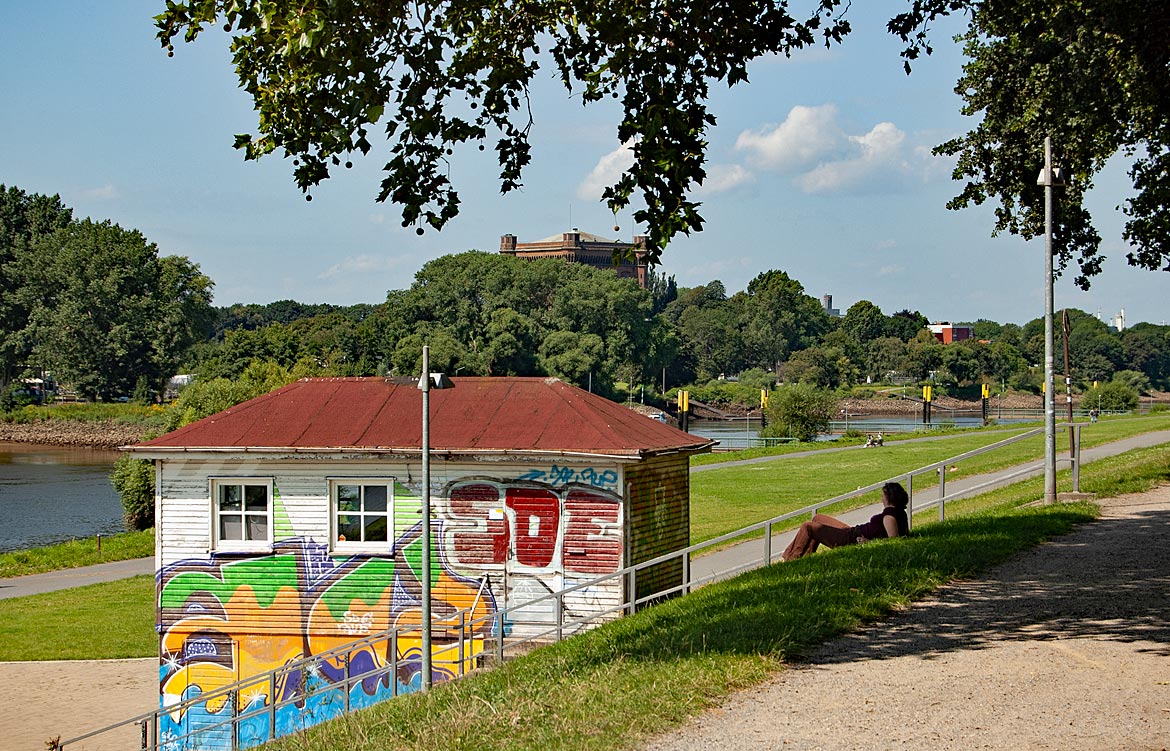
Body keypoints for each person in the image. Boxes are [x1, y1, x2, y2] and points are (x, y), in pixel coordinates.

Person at [780, 482, 910, 562]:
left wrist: (868, 543)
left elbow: (894, 542)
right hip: (853, 531)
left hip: (851, 539)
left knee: (807, 527)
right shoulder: (899, 512)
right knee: (818, 518)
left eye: (883, 496)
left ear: (889, 498)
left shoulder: (889, 516)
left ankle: (791, 560)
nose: (881, 499)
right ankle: (802, 559)